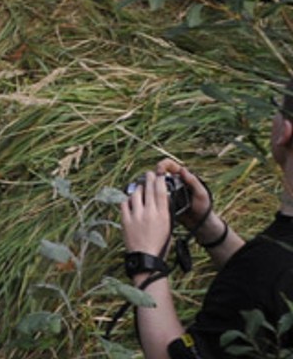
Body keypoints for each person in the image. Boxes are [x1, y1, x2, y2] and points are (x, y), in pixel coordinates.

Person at [120, 91, 293, 358]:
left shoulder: (268, 267)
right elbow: (272, 291)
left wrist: (146, 261)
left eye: (277, 107)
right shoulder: (270, 264)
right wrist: (208, 228)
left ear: (285, 131)